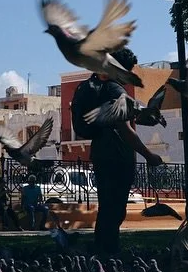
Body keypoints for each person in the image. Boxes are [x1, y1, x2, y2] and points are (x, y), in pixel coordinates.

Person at [69, 52, 165, 257]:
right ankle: (109, 252)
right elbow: (125, 130)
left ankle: (102, 249)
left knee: (107, 207)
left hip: (100, 153)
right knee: (114, 210)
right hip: (117, 155)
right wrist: (149, 155)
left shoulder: (97, 87)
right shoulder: (115, 90)